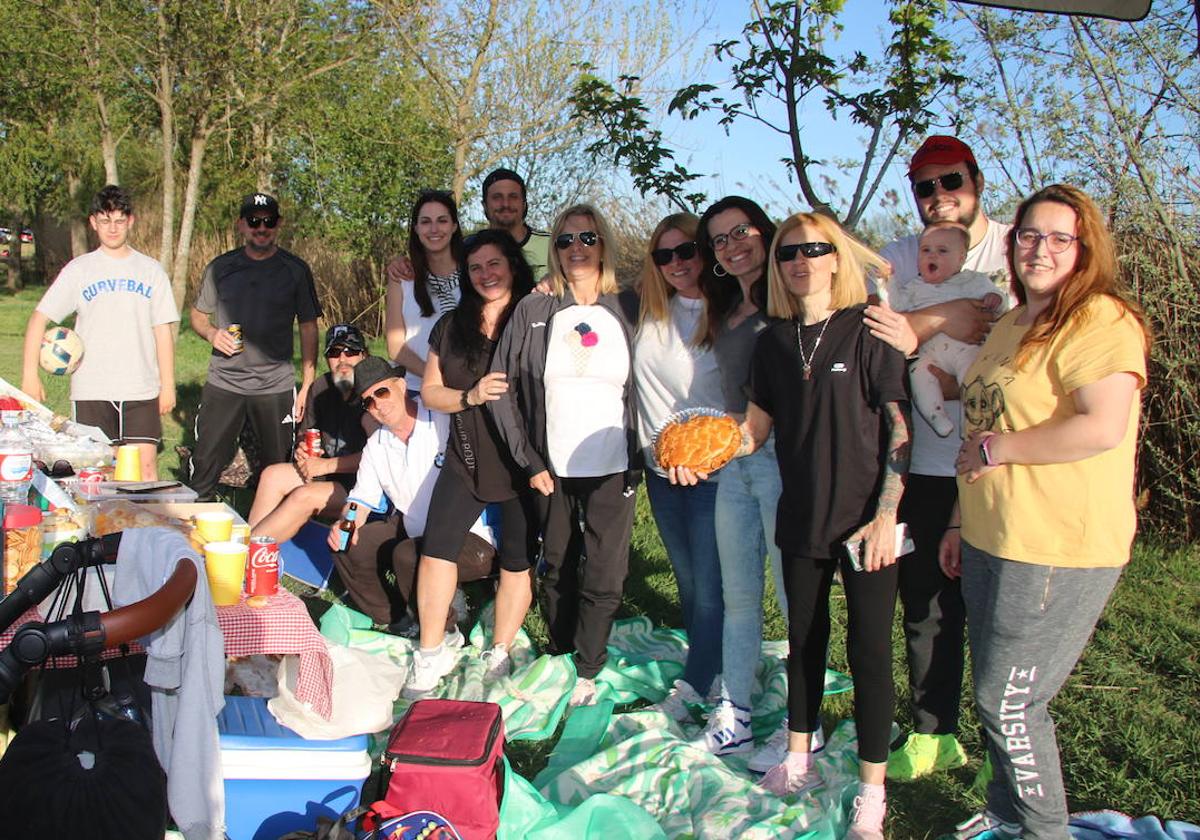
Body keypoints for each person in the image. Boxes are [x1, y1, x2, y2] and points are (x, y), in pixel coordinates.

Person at [679, 212, 910, 839]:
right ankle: (799, 757)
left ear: (835, 257)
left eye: (814, 249)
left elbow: (899, 429)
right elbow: (753, 433)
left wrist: (889, 514)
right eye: (789, 253)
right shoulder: (775, 342)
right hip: (800, 515)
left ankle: (871, 793)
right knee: (805, 641)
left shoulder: (867, 329)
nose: (801, 261)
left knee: (869, 652)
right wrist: (696, 455)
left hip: (868, 521)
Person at [938, 185, 1149, 840]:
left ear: (1085, 249)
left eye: (1060, 237)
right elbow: (979, 425)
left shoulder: (1100, 320)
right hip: (991, 533)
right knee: (995, 695)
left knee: (1009, 702)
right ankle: (1006, 813)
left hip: (1057, 544)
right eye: (1030, 234)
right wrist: (956, 520)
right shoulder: (1011, 323)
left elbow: (1102, 427)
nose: (1041, 248)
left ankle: (1042, 832)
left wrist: (1001, 450)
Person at [864, 136, 1015, 780]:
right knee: (924, 601)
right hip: (927, 460)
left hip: (1002, 460)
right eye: (923, 187)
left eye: (949, 181)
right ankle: (935, 733)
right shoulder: (903, 254)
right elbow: (881, 330)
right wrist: (949, 317)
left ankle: (1007, 752)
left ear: (976, 179)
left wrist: (931, 321)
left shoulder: (1016, 246)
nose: (937, 198)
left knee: (1001, 611)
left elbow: (1015, 332)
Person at [489, 203, 640, 708]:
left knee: (605, 569)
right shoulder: (535, 309)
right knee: (557, 564)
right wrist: (528, 460)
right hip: (551, 466)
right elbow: (502, 387)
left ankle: (590, 665)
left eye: (588, 239)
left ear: (604, 245)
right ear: (554, 249)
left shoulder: (630, 308)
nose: (576, 249)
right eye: (565, 240)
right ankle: (560, 647)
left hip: (613, 462)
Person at [401, 229, 539, 696]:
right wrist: (470, 395)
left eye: (494, 264)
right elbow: (433, 390)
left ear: (513, 265)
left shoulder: (535, 317)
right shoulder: (451, 324)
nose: (486, 275)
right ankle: (431, 650)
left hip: (523, 463)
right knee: (437, 549)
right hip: (466, 457)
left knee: (517, 561)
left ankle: (499, 648)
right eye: (476, 268)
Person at [690, 196, 794, 764]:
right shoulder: (726, 307)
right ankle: (736, 713)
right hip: (736, 459)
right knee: (739, 597)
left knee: (793, 596)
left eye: (741, 231)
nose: (733, 246)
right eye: (720, 241)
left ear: (765, 231)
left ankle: (804, 724)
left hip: (783, 459)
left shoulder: (792, 297)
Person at [328, 355, 498, 640]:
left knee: (407, 555)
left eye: (382, 392)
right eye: (368, 401)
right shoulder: (376, 445)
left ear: (402, 386)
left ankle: (445, 632)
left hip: (471, 535)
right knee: (346, 545)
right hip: (414, 527)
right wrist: (347, 522)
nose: (378, 404)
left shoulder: (444, 421)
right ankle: (395, 617)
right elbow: (361, 498)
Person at [631, 212, 725, 719]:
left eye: (686, 251)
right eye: (664, 255)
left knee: (710, 582)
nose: (676, 264)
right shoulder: (648, 308)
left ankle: (699, 683)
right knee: (688, 578)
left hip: (711, 470)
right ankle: (709, 661)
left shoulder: (726, 311)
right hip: (659, 469)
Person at [21, 185, 179, 480]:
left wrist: (167, 385)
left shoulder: (151, 270)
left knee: (144, 472)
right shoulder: (80, 270)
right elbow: (39, 318)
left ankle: (144, 527)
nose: (113, 228)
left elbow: (162, 331)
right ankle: (102, 528)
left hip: (140, 388)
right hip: (92, 388)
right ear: (93, 222)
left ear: (131, 221)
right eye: (105, 220)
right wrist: (30, 374)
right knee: (98, 473)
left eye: (120, 220)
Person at [188, 192, 321, 500]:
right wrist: (211, 334)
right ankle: (193, 537)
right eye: (254, 222)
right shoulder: (220, 268)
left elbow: (308, 326)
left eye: (269, 221)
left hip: (274, 385)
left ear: (279, 224)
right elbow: (197, 314)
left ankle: (274, 539)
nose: (262, 228)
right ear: (241, 226)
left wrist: (307, 384)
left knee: (280, 471)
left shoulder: (295, 269)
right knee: (205, 466)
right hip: (225, 381)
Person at [247, 324, 373, 543]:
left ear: (364, 355)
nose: (342, 359)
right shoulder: (321, 387)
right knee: (272, 475)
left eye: (350, 352)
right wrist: (302, 451)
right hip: (324, 474)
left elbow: (379, 457)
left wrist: (326, 465)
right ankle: (253, 544)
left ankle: (247, 555)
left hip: (360, 487)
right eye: (334, 353)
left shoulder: (373, 392)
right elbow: (307, 435)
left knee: (302, 497)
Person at [884, 222, 1006, 437]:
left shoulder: (973, 281)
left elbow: (1000, 304)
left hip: (966, 350)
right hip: (929, 355)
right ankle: (936, 416)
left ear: (960, 258)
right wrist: (888, 280)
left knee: (973, 376)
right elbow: (896, 305)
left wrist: (995, 299)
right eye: (926, 250)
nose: (932, 256)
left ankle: (968, 421)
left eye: (942, 251)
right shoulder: (914, 286)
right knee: (918, 373)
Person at [387, 169, 551, 287]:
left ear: (524, 204)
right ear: (484, 205)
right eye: (497, 197)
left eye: (513, 197)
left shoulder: (553, 245)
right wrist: (401, 263)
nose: (505, 204)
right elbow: (431, 263)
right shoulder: (466, 247)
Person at [384, 191, 464, 392]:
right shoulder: (402, 278)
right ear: (416, 228)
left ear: (454, 226)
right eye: (426, 222)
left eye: (442, 221)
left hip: (464, 390)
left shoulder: (473, 274)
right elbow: (395, 348)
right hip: (415, 390)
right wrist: (436, 377)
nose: (434, 229)